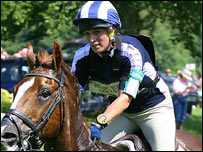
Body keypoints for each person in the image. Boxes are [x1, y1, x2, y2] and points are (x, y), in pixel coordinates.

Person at [71, 1, 175, 151]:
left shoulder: (130, 52)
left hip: (153, 109)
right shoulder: (82, 56)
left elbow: (125, 98)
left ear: (111, 30)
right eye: (87, 34)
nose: (92, 39)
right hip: (122, 114)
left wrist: (99, 122)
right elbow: (72, 94)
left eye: (97, 32)